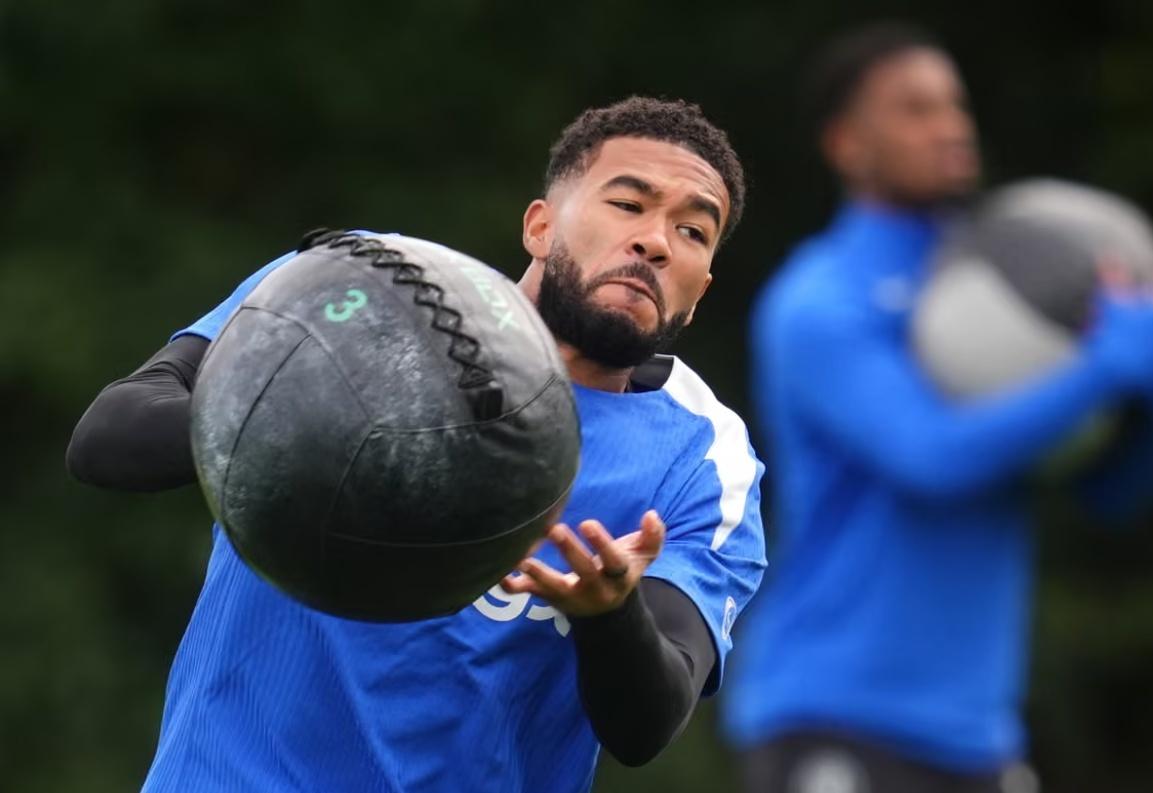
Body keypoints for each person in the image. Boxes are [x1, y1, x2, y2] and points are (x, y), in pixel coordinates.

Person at [66, 96, 767, 793]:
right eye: (628, 204)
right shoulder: (358, 283)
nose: (655, 242)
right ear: (540, 226)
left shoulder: (704, 460)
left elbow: (647, 725)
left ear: (699, 291)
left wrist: (610, 613)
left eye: (692, 231)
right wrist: (313, 419)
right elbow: (106, 440)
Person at [720, 23, 1153, 793]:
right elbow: (932, 457)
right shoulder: (818, 300)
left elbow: (1110, 496)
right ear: (847, 144)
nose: (949, 125)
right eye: (914, 109)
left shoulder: (1020, 273)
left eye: (953, 104)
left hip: (980, 737)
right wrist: (1111, 362)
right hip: (835, 713)